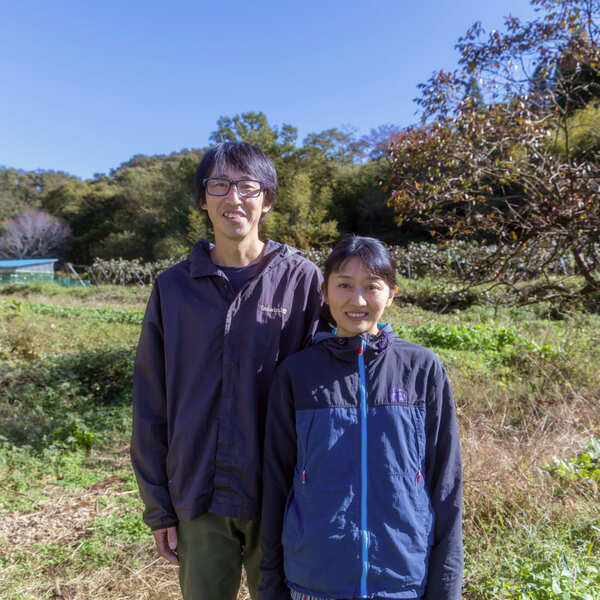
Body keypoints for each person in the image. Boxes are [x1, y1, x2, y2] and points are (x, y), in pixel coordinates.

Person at [130, 142, 323, 600]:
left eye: (247, 186)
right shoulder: (173, 287)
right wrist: (159, 508)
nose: (232, 198)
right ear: (202, 199)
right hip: (197, 495)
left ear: (267, 199)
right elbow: (150, 401)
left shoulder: (301, 280)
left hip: (281, 495)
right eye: (219, 185)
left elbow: (329, 387)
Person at [259, 235, 463, 600]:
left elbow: (446, 487)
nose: (358, 301)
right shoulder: (297, 375)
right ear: (324, 291)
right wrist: (271, 586)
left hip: (401, 582)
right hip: (315, 583)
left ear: (392, 294)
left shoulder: (422, 370)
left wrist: (445, 588)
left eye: (372, 287)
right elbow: (275, 486)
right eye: (344, 286)